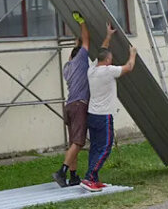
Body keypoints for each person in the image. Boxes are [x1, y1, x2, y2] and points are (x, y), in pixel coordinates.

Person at [82, 23, 136, 193]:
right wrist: (132, 54)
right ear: (107, 61)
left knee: (96, 147)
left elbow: (101, 50)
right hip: (104, 116)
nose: (111, 60)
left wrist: (108, 36)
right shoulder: (108, 70)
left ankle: (94, 178)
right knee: (105, 147)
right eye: (110, 58)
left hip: (92, 115)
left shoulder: (91, 69)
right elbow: (129, 67)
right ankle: (90, 177)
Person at [53, 11, 92, 188]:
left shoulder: (67, 67)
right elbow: (86, 40)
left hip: (68, 106)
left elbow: (74, 51)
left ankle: (74, 176)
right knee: (78, 142)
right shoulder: (82, 59)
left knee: (73, 143)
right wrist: (82, 22)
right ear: (80, 55)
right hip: (79, 106)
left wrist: (76, 44)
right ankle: (62, 171)